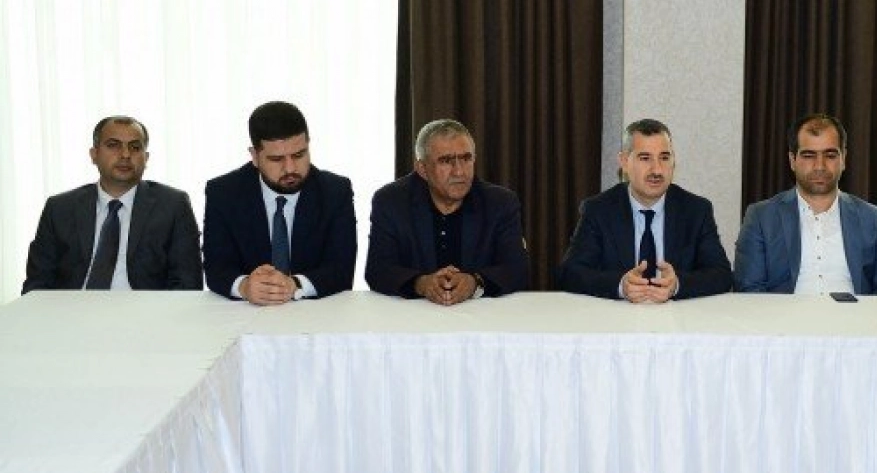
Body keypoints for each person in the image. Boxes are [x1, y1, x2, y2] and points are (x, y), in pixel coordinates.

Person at [557, 118, 732, 302]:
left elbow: (722, 274)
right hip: (617, 317)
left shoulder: (696, 211)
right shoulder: (599, 210)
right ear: (624, 162)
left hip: (677, 317)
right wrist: (620, 285)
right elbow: (570, 273)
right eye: (645, 158)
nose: (657, 170)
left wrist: (677, 285)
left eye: (664, 158)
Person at [23, 115, 202, 293]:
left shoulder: (173, 206)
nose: (125, 155)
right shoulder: (60, 208)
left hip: (144, 308)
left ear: (146, 158)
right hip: (74, 307)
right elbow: (37, 283)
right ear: (94, 154)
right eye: (113, 145)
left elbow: (187, 283)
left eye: (135, 147)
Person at [203, 101, 357, 304]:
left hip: (314, 312)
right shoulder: (223, 193)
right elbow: (216, 267)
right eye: (277, 159)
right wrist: (244, 286)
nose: (290, 168)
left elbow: (341, 269)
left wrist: (294, 285)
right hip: (247, 313)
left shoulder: (335, 191)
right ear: (255, 156)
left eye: (299, 155)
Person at [365, 119, 530, 303]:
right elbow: (377, 270)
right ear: (422, 169)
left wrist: (475, 283)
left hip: (481, 313)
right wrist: (421, 283)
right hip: (413, 313)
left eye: (466, 158)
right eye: (446, 161)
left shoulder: (500, 203)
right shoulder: (391, 202)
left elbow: (517, 269)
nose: (459, 172)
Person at [734, 113, 877, 294]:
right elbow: (750, 290)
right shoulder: (761, 218)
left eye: (830, 155)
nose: (820, 166)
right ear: (792, 161)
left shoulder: (874, 219)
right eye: (809, 155)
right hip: (783, 313)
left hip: (855, 312)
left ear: (843, 159)